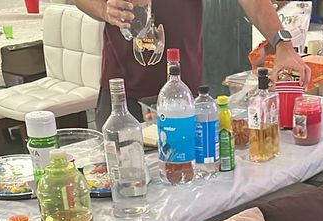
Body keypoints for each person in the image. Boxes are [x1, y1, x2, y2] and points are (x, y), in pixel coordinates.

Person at [73, 0, 310, 128]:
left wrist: (283, 45)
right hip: (122, 93)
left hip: (183, 91)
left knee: (189, 183)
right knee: (121, 185)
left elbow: (254, 4)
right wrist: (104, 8)